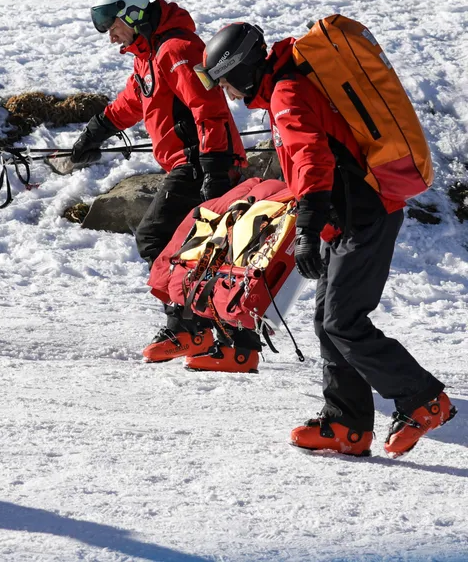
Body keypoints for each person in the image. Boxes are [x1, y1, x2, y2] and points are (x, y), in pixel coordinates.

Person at [194, 22, 456, 457]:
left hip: (364, 216)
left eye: (227, 84)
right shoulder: (284, 88)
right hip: (346, 218)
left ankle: (423, 399)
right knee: (327, 321)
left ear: (242, 71)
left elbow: (313, 162)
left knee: (344, 322)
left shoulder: (286, 93)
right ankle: (347, 425)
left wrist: (308, 232)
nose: (229, 95)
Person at [72, 0, 247, 362]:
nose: (110, 36)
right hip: (192, 162)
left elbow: (209, 108)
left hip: (202, 161)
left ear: (133, 14)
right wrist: (94, 132)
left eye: (113, 24)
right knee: (201, 249)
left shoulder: (177, 49)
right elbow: (132, 101)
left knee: (155, 238)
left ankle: (189, 328)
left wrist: (215, 169)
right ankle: (229, 339)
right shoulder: (149, 55)